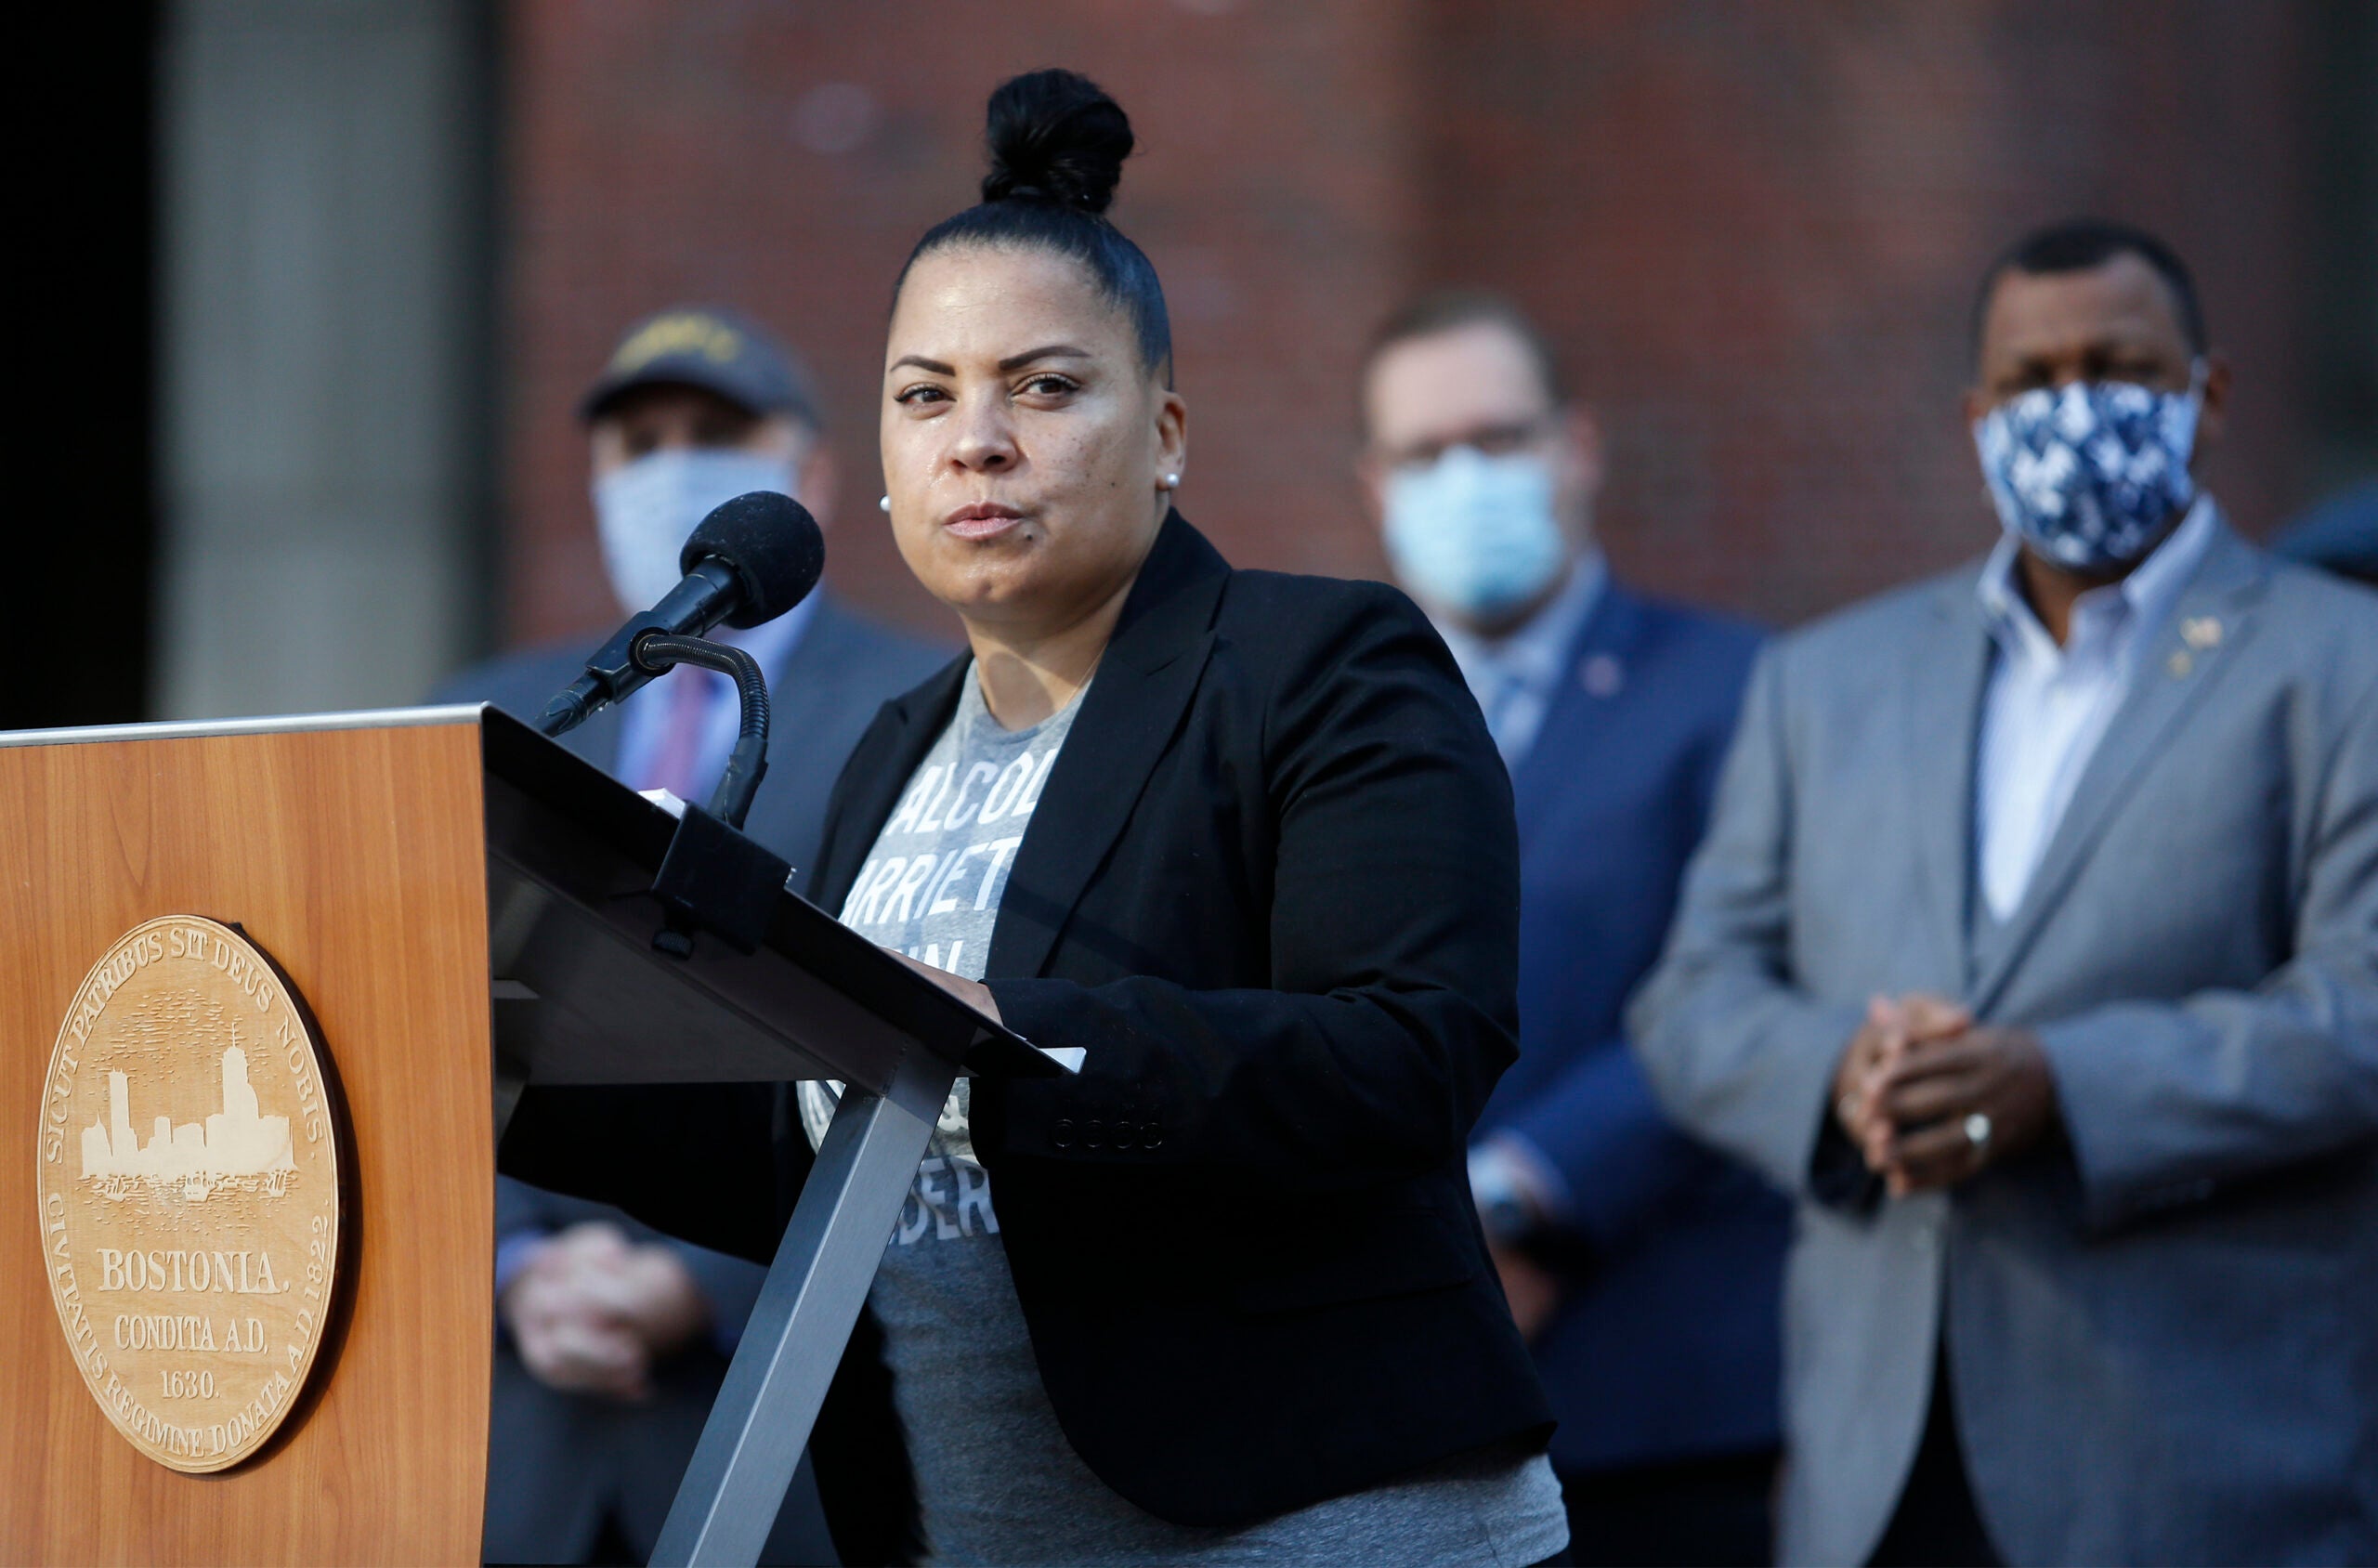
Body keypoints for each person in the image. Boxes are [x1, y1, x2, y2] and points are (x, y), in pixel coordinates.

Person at [501, 70, 1572, 1567]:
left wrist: (998, 1036)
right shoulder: (889, 749)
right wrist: (512, 1064)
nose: (977, 440)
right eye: (924, 395)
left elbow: (1406, 1053)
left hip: (1313, 1519)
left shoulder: (1319, 662)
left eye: (1046, 387)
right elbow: (826, 1148)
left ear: (1169, 429)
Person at [1629, 218, 2378, 1566]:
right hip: (1873, 1473)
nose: (2071, 409)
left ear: (2205, 398)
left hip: (2200, 1469)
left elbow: (2362, 1010)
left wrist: (2062, 1086)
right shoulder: (1828, 680)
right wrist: (1845, 1074)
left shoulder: (2343, 663)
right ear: (1978, 420)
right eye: (2032, 383)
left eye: (2119, 368)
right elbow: (1693, 998)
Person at [437, 306, 946, 1565]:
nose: (675, 463)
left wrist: (694, 1279)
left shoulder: (924, 710)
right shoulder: (494, 715)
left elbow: (919, 1041)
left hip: (785, 1420)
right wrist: (511, 1269)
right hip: (515, 1440)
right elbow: (423, 1015)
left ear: (813, 474)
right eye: (640, 440)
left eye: (717, 433)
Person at [1357, 291, 1784, 1565]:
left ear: (1577, 448)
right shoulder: (1330, 727)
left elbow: (1751, 989)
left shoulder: (1740, 691)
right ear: (1376, 486)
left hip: (1658, 1397)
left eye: (1500, 438)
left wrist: (1520, 1194)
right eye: (1427, 455)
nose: (1468, 478)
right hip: (1388, 1416)